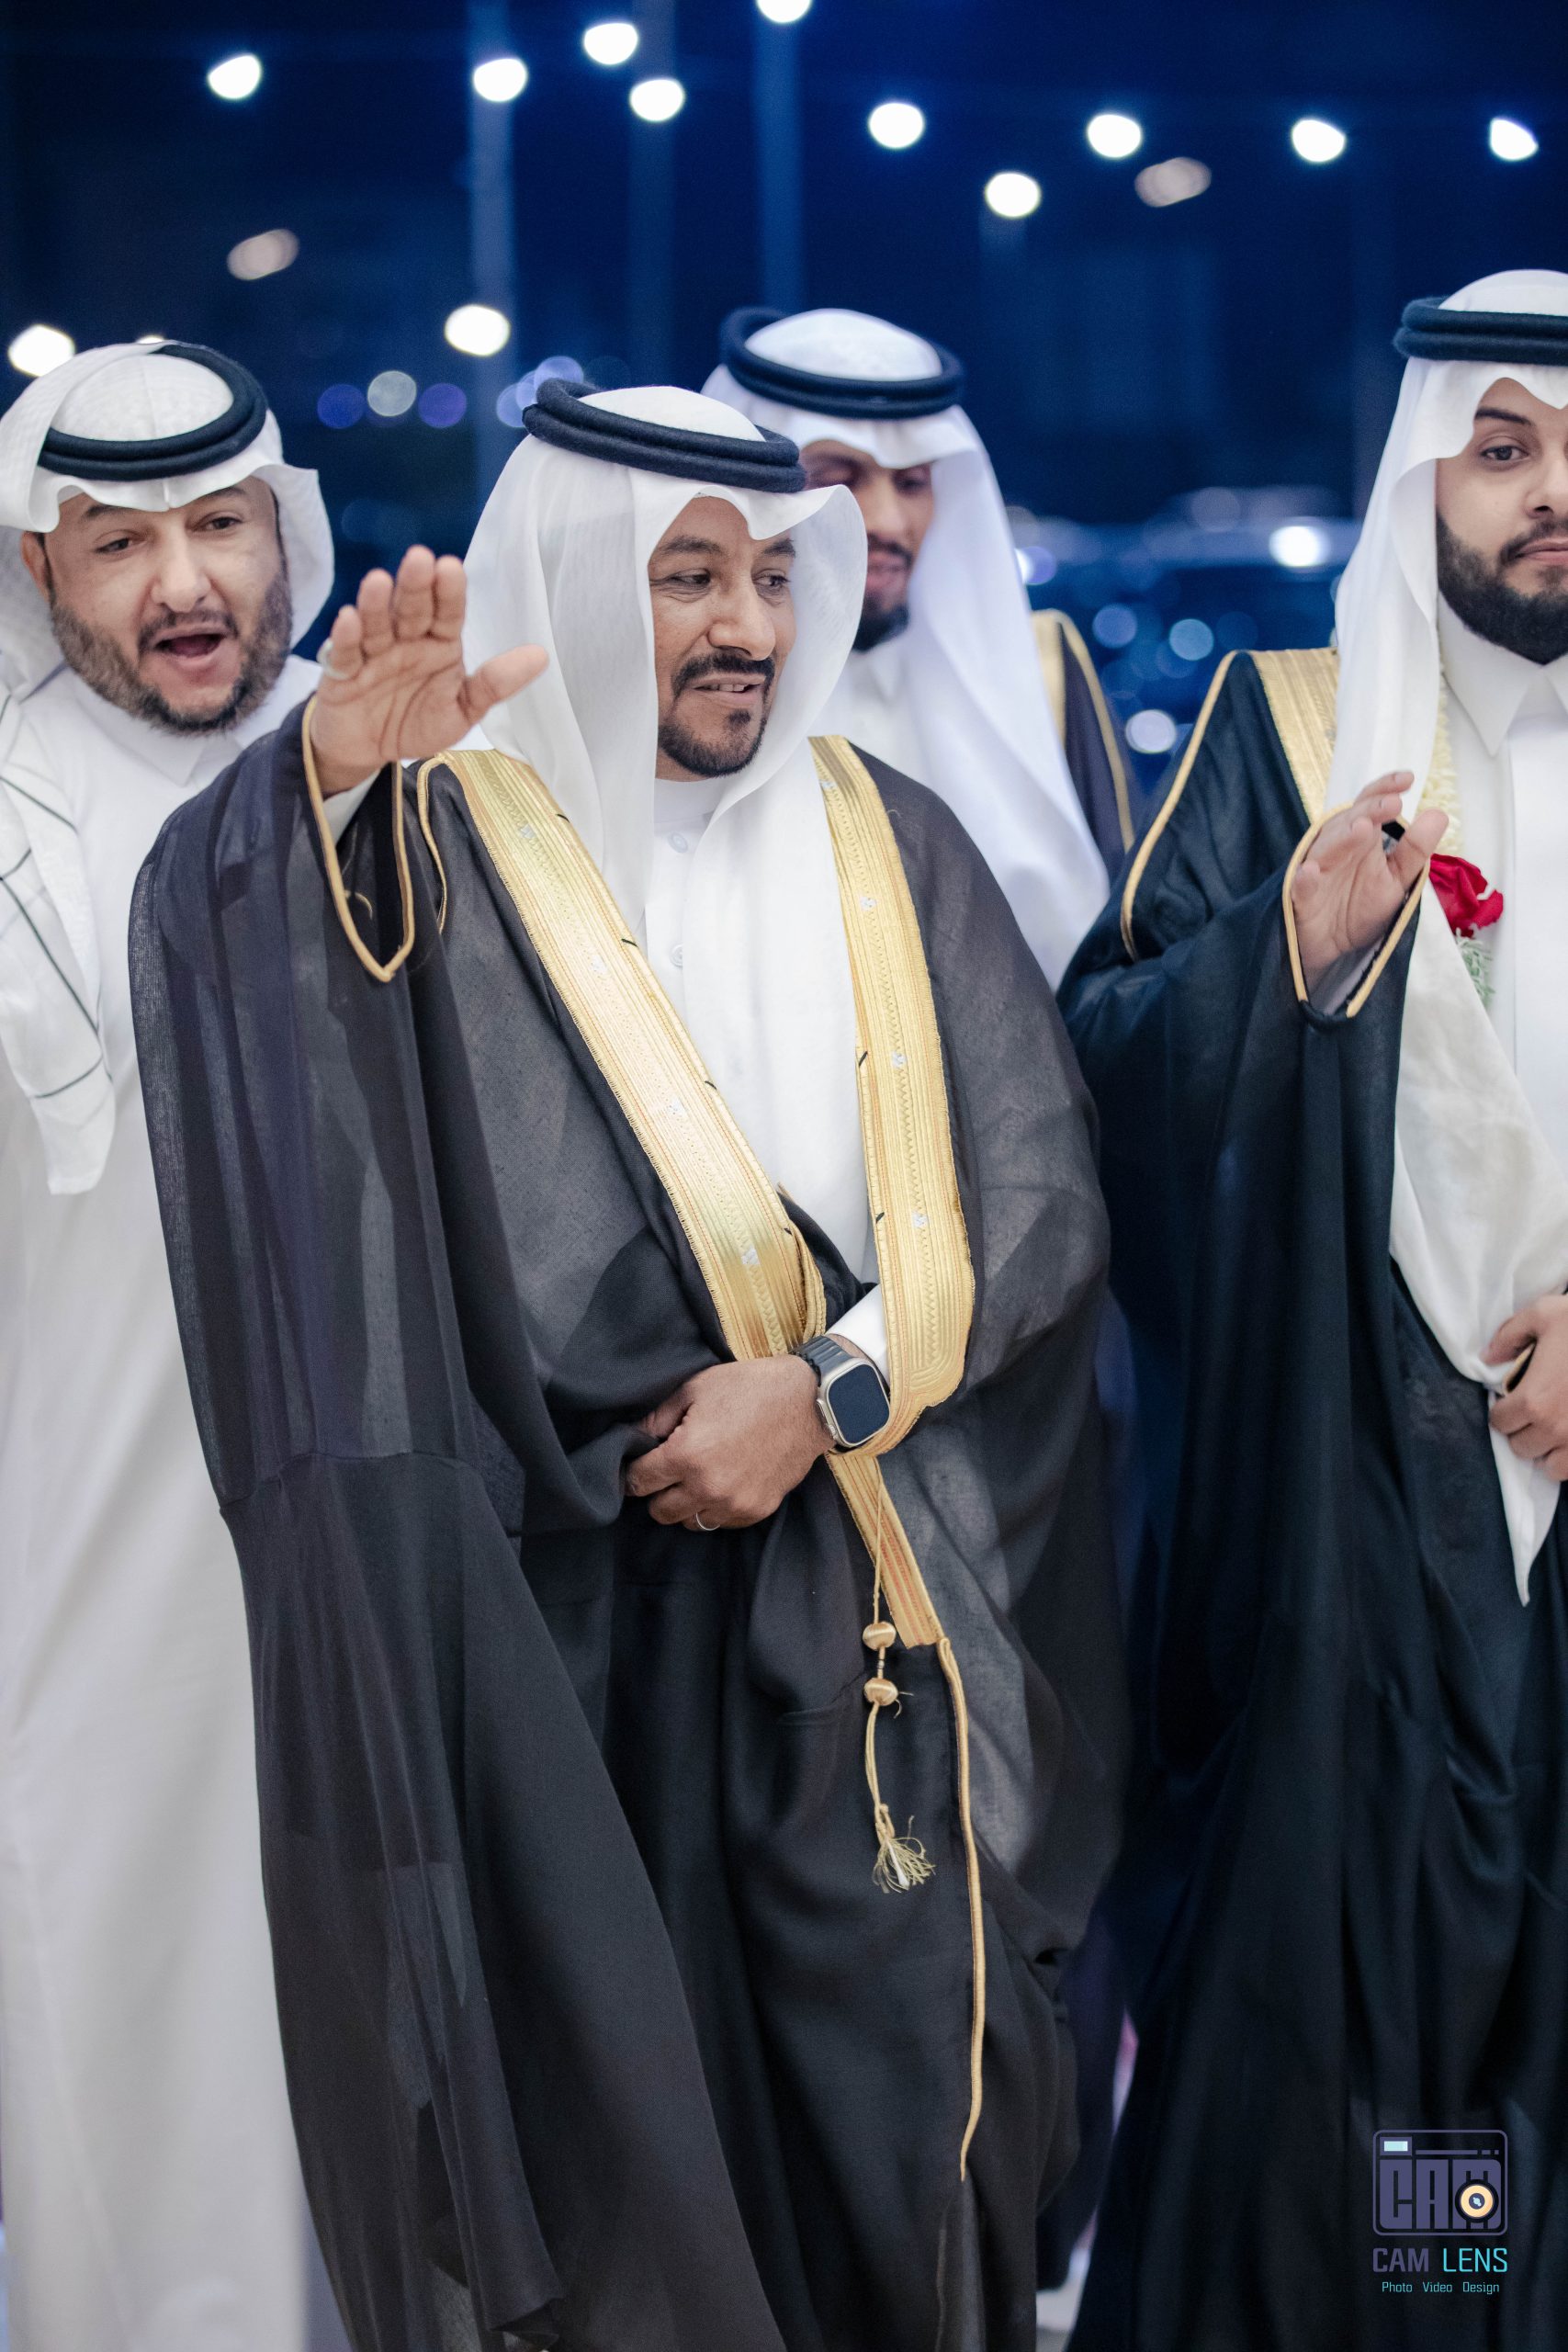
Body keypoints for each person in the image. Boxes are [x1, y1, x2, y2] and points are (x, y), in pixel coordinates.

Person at [130, 380, 1127, 2352]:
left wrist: (820, 1391)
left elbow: (1035, 1197)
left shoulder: (885, 835)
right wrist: (319, 796)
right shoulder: (438, 833)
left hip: (867, 1619)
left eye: (769, 577)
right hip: (564, 1644)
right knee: (622, 2172)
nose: (745, 625)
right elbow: (273, 1048)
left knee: (899, 2142)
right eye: (687, 577)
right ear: (582, 582)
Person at [1059, 268, 1568, 2351]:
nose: (1548, 493)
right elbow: (1098, 1070)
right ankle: (1427, 2310)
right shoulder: (1289, 733)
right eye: (1502, 447)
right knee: (1382, 2016)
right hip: (1351, 1512)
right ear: (1418, 473)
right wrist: (1273, 944)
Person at [0, 342, 344, 2349]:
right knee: (136, 2016)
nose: (185, 582)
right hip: (97, 1547)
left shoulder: (390, 754)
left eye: (219, 525)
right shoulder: (9, 800)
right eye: (121, 544)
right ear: (36, 568)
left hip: (392, 1537)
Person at [705, 307, 1120, 978]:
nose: (887, 522)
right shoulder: (686, 692)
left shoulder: (1043, 675)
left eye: (912, 484)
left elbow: (1122, 974)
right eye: (839, 477)